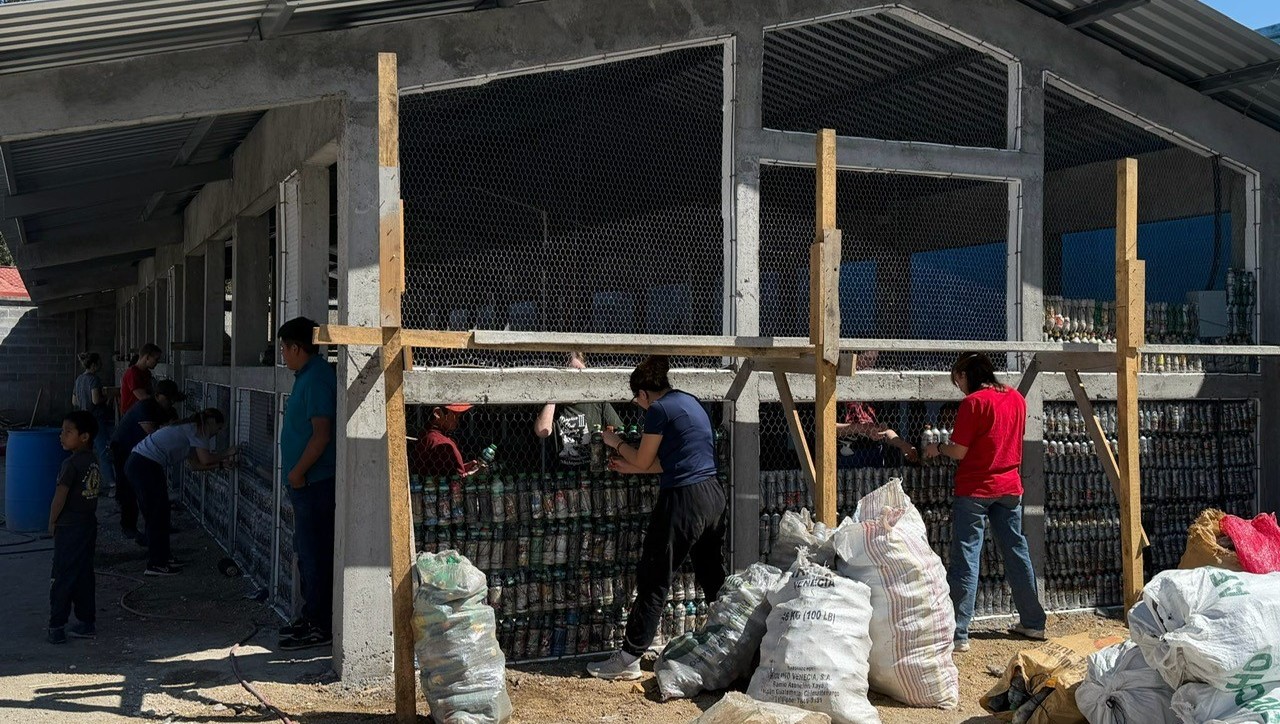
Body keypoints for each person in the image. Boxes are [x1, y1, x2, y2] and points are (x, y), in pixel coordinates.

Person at [587, 355, 726, 681]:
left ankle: (629, 657)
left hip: (683, 499)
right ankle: (730, 638)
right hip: (713, 495)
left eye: (638, 399)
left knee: (654, 576)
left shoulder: (659, 410)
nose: (639, 406)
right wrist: (631, 465)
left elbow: (646, 456)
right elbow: (670, 461)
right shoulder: (689, 402)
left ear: (645, 393)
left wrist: (616, 443)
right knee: (711, 574)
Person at [924, 352, 1046, 652]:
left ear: (966, 375)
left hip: (976, 489)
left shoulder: (973, 403)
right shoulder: (1016, 398)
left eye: (958, 381)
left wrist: (937, 447)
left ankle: (958, 634)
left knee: (967, 558)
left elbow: (960, 451)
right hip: (1010, 488)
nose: (960, 388)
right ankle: (1033, 622)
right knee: (1017, 553)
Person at [276, 317, 338, 651]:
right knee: (307, 553)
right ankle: (311, 615)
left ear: (297, 347)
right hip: (307, 483)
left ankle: (320, 624)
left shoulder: (315, 379)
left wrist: (298, 473)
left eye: (284, 348)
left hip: (315, 483)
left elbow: (321, 434)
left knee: (315, 555)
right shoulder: (306, 376)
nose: (283, 355)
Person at [126, 409, 235, 576]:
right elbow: (205, 459)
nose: (217, 433)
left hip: (143, 464)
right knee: (156, 515)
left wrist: (221, 465)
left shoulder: (189, 430)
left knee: (161, 513)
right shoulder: (199, 430)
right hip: (145, 465)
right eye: (219, 428)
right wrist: (226, 453)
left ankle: (164, 557)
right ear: (211, 421)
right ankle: (156, 564)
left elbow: (195, 465)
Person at [47, 411, 102, 644]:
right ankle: (86, 621)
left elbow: (60, 497)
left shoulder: (70, 464)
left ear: (84, 436)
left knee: (63, 575)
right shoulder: (93, 460)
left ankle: (56, 625)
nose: (62, 436)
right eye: (62, 431)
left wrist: (52, 521)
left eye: (68, 432)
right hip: (87, 524)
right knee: (83, 573)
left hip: (69, 527)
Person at [110, 380, 184, 540]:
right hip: (124, 449)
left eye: (173, 399)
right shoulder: (146, 407)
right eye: (168, 398)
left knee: (158, 490)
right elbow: (153, 433)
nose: (171, 402)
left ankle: (160, 525)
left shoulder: (167, 410)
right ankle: (129, 527)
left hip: (146, 454)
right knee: (128, 490)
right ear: (157, 396)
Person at [534, 352, 624, 469]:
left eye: (580, 372)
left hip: (593, 469)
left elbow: (618, 430)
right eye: (571, 373)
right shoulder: (556, 405)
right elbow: (542, 431)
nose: (576, 379)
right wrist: (554, 395)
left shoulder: (596, 400)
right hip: (563, 471)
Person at [72, 352, 116, 491]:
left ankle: (85, 483)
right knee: (103, 452)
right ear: (94, 364)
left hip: (83, 419)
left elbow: (74, 401)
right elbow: (95, 400)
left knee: (86, 453)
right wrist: (108, 398)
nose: (102, 365)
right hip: (96, 419)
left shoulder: (79, 379)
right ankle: (111, 482)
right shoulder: (94, 379)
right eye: (100, 362)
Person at [411, 403, 482, 478]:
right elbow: (453, 482)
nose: (459, 415)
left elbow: (440, 472)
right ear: (437, 413)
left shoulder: (427, 436)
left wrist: (463, 468)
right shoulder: (442, 444)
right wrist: (472, 475)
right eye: (455, 413)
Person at [120, 343, 161, 416]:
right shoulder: (133, 372)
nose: (157, 362)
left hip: (141, 410)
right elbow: (143, 397)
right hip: (131, 414)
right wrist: (163, 398)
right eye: (156, 359)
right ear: (147, 357)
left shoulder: (147, 373)